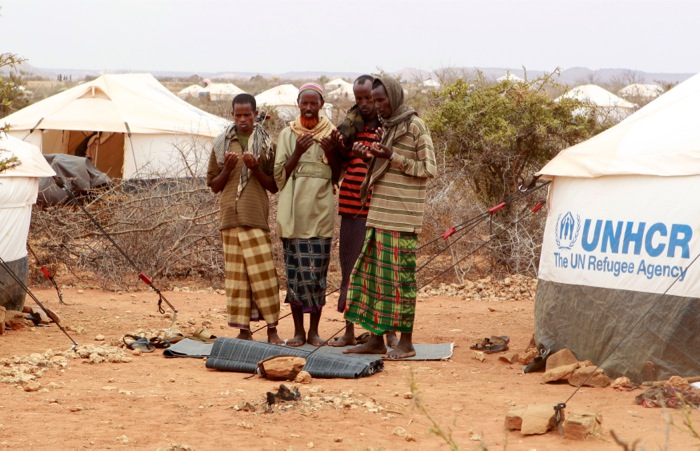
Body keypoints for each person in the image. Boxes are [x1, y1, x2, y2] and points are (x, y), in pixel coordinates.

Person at [343, 76, 437, 359]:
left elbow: (428, 168)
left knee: (401, 282)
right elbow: (385, 167)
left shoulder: (414, 126)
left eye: (381, 100)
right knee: (374, 280)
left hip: (402, 217)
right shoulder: (389, 127)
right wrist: (368, 157)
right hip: (379, 213)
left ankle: (406, 343)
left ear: (394, 98)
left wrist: (392, 155)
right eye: (373, 100)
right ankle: (376, 339)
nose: (376, 105)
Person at [207, 93, 282, 344]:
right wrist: (228, 169)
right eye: (238, 115)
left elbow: (273, 186)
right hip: (229, 217)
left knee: (264, 278)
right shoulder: (221, 144)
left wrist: (255, 169)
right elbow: (214, 186)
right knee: (237, 279)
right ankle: (243, 331)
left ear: (255, 114)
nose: (242, 120)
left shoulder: (267, 143)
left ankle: (272, 330)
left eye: (247, 115)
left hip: (255, 217)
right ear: (232, 115)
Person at [327, 75, 397, 348]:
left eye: (369, 98)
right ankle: (349, 331)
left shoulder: (387, 129)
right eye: (360, 99)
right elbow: (338, 168)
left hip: (377, 208)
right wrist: (334, 148)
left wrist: (370, 155)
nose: (365, 104)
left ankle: (387, 332)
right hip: (351, 208)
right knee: (351, 271)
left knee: (380, 272)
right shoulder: (349, 130)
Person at [274, 82, 340, 347]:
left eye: (314, 104)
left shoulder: (332, 133)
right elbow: (279, 176)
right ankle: (299, 332)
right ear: (298, 105)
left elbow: (337, 175)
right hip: (293, 216)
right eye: (305, 103)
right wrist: (299, 152)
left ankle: (314, 332)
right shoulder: (288, 134)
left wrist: (331, 152)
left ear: (322, 105)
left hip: (320, 213)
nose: (309, 108)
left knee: (316, 277)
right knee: (295, 278)